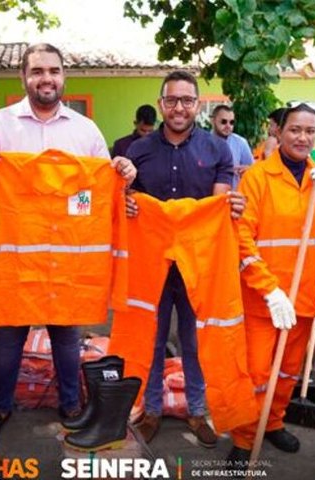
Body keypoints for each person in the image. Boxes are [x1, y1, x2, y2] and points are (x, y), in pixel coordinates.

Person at [0, 43, 136, 432]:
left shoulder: (85, 130)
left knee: (66, 336)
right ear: (23, 77)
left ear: (63, 76)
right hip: (17, 258)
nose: (47, 78)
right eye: (38, 71)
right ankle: (1, 406)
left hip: (67, 257)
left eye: (54, 71)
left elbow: (101, 190)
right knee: (9, 338)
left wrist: (122, 175)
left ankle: (70, 405)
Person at [124, 70, 238, 448]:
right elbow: (127, 200)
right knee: (152, 339)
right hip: (150, 264)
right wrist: (126, 202)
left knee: (195, 340)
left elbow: (217, 207)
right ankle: (151, 410)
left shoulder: (217, 149)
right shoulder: (138, 151)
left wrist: (231, 207)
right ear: (161, 104)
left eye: (187, 100)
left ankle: (198, 410)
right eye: (171, 100)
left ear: (197, 105)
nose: (179, 108)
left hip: (197, 266)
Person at [227, 103, 315, 464]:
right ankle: (245, 438)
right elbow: (242, 239)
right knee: (257, 373)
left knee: (289, 371)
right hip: (264, 299)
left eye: (310, 131)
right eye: (295, 129)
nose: (302, 137)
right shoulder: (258, 177)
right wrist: (269, 289)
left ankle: (273, 422)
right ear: (279, 132)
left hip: (303, 298)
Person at [211, 104, 254, 188]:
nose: (228, 126)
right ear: (213, 121)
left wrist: (247, 170)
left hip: (233, 193)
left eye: (231, 122)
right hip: (207, 195)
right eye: (223, 122)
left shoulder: (241, 143)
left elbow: (253, 169)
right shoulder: (203, 142)